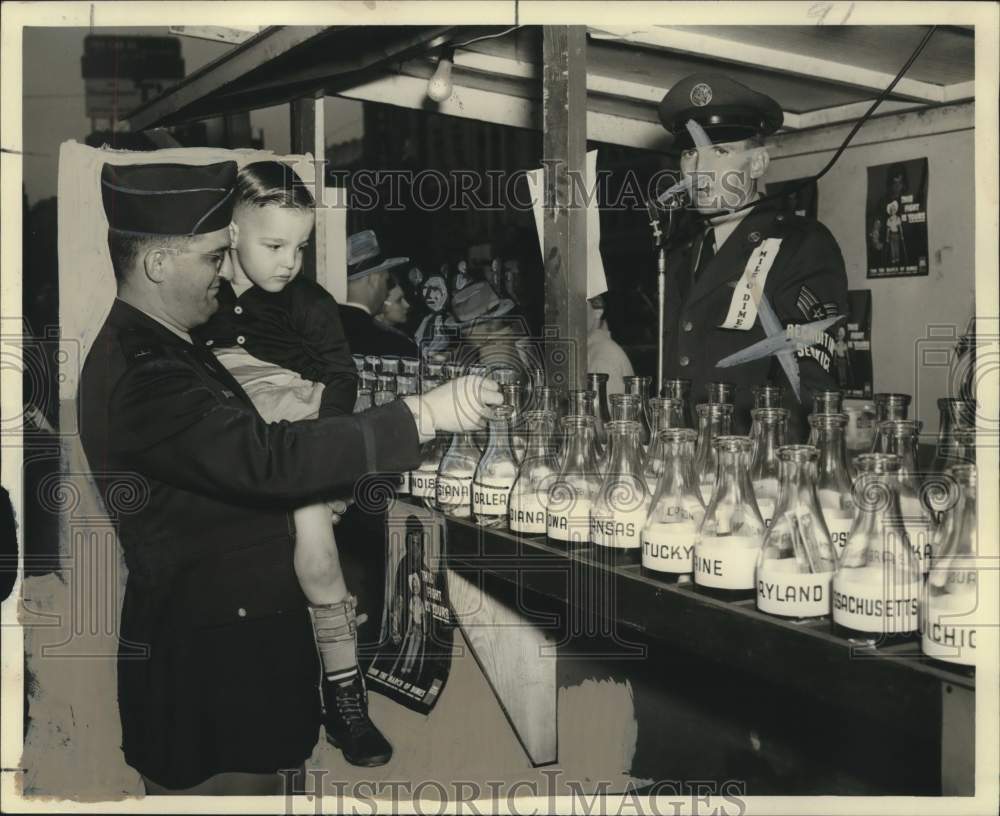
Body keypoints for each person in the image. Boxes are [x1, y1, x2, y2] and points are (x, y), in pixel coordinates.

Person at [78, 160, 501, 795]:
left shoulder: (172, 349)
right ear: (159, 263)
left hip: (241, 663)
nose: (226, 269)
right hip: (214, 684)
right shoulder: (148, 374)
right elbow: (268, 458)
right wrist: (423, 413)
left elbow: (241, 469)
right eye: (213, 254)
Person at [190, 160, 393, 767]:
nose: (289, 261)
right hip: (231, 440)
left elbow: (341, 376)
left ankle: (345, 694)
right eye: (273, 245)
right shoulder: (204, 295)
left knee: (318, 558)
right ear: (231, 234)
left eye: (300, 247)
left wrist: (325, 457)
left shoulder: (308, 302)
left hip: (298, 433)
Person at [656, 73, 848, 438]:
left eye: (721, 152)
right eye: (690, 154)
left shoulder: (800, 245)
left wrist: (772, 474)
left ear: (757, 164)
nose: (700, 171)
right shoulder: (678, 251)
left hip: (755, 471)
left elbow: (811, 389)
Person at [337, 229, 411, 357]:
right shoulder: (398, 346)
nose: (387, 292)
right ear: (374, 279)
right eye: (386, 280)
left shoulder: (321, 330)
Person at [586, 291, 635, 394]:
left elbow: (603, 410)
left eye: (577, 303)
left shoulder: (602, 356)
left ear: (598, 310)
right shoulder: (594, 349)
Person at [374, 270, 419, 358]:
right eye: (398, 300)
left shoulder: (403, 338)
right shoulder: (399, 344)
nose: (407, 305)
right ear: (381, 305)